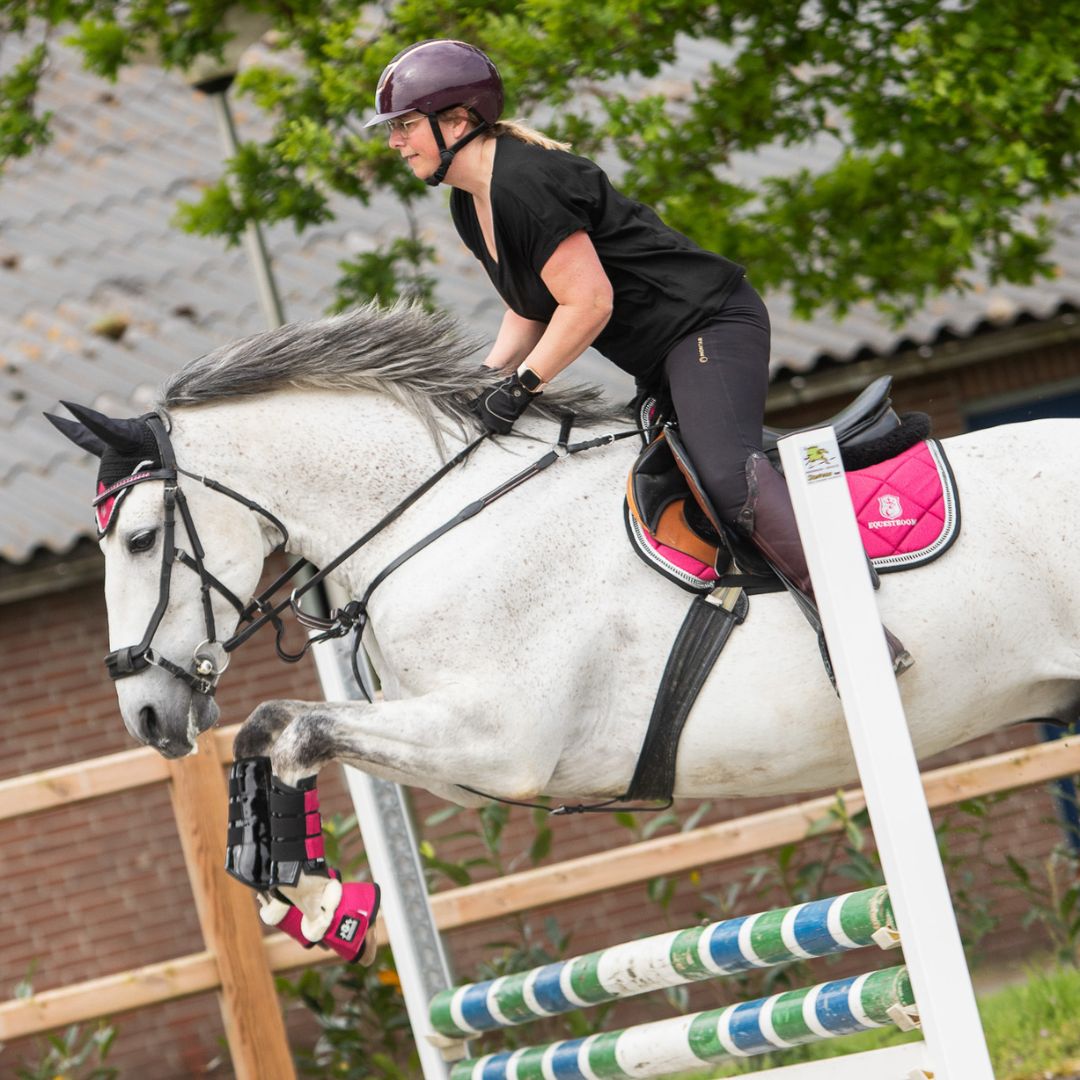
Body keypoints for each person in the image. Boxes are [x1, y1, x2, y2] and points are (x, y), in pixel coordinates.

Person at [365, 39, 911, 674]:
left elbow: (587, 303)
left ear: (456, 120)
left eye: (404, 126)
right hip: (667, 351)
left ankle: (856, 625)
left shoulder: (524, 182)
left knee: (728, 476)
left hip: (712, 324)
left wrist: (523, 386)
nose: (396, 142)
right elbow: (532, 302)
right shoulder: (471, 200)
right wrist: (484, 378)